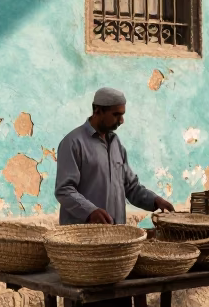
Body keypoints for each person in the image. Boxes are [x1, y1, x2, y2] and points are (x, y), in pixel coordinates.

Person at [55, 87, 175, 225]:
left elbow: (130, 187)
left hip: (116, 234)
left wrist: (155, 200)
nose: (122, 120)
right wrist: (90, 211)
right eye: (116, 115)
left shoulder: (116, 143)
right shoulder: (73, 143)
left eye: (122, 114)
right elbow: (64, 190)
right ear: (98, 111)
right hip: (83, 238)